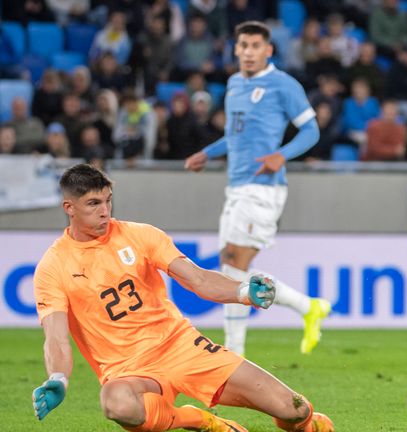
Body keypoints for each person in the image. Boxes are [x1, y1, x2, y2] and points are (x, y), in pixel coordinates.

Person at [32, 163, 334, 432]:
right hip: (129, 370)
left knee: (293, 409)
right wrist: (58, 378)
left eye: (108, 201)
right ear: (69, 207)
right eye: (93, 204)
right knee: (117, 404)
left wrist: (243, 292)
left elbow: (199, 279)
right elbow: (56, 337)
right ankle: (198, 420)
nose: (105, 212)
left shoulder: (141, 235)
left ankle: (306, 423)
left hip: (181, 347)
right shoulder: (53, 266)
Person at [184, 21, 331, 356]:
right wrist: (207, 153)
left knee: (234, 263)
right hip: (235, 186)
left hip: (264, 188)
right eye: (243, 46)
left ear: (268, 50)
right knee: (231, 268)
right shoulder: (234, 84)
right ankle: (308, 307)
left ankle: (233, 353)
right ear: (235, 49)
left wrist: (282, 155)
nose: (249, 52)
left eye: (255, 46)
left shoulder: (283, 84)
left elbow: (310, 131)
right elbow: (234, 136)